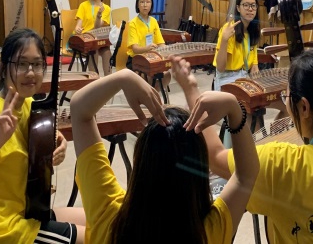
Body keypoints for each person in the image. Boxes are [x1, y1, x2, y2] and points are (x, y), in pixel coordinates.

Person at [177, 49, 313, 243]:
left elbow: (215, 157)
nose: (285, 103)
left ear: (304, 107)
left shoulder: (281, 164)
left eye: (286, 98)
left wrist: (191, 89)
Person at [71, 66, 259, 244]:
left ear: (141, 162)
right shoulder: (210, 230)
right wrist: (234, 109)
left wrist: (122, 77)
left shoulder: (108, 215)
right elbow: (246, 175)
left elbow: (79, 111)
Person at [0, 28, 85, 243]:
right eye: (21, 64)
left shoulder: (27, 103)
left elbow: (38, 136)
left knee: (102, 220)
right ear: (3, 69)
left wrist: (59, 142)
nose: (30, 72)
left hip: (24, 211)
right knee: (99, 237)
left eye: (37, 64)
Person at [213, 0, 260, 91]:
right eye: (246, 5)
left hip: (245, 77)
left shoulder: (252, 32)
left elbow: (254, 67)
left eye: (253, 5)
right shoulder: (229, 29)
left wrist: (257, 86)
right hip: (227, 78)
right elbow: (220, 68)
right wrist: (224, 40)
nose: (250, 9)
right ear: (238, 8)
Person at [125, 0, 171, 88]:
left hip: (151, 58)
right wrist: (147, 48)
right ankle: (149, 94)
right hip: (136, 60)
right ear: (137, 5)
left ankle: (152, 94)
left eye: (148, 2)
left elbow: (161, 43)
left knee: (166, 75)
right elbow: (135, 49)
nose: (145, 5)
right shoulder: (133, 23)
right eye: (142, 2)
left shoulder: (154, 21)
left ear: (151, 4)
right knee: (145, 78)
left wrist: (168, 50)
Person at [74, 0, 112, 76]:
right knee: (93, 49)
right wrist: (77, 29)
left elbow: (97, 26)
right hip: (86, 40)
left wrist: (99, 15)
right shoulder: (83, 5)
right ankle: (93, 78)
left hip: (98, 39)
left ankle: (109, 79)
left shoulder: (106, 8)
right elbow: (78, 25)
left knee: (107, 52)